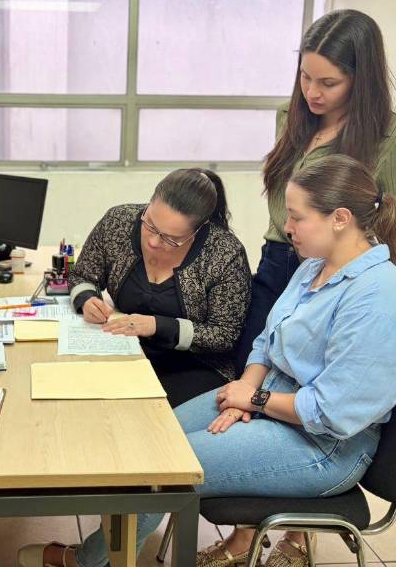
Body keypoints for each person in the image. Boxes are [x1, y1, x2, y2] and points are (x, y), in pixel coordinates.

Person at [27, 155, 396, 567]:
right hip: (275, 399)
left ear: (340, 218)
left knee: (162, 467)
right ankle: (104, 555)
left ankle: (89, 561)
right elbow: (265, 343)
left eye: (296, 217)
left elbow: (333, 413)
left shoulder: (376, 295)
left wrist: (253, 398)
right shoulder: (314, 268)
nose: (287, 228)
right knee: (140, 447)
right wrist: (248, 391)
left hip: (326, 446)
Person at [234, 8, 396, 376]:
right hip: (277, 260)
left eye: (328, 83)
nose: (312, 91)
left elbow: (389, 222)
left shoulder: (387, 139)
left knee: (302, 383)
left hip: (335, 275)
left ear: (361, 80)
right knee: (247, 368)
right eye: (305, 77)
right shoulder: (290, 115)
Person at [67, 168, 252, 408]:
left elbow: (225, 335)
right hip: (129, 351)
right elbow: (82, 274)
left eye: (171, 238)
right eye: (150, 225)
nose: (154, 242)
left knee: (144, 414)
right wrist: (86, 298)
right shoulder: (118, 222)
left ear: (198, 230)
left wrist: (156, 325)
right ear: (150, 202)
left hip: (194, 366)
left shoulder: (224, 253)